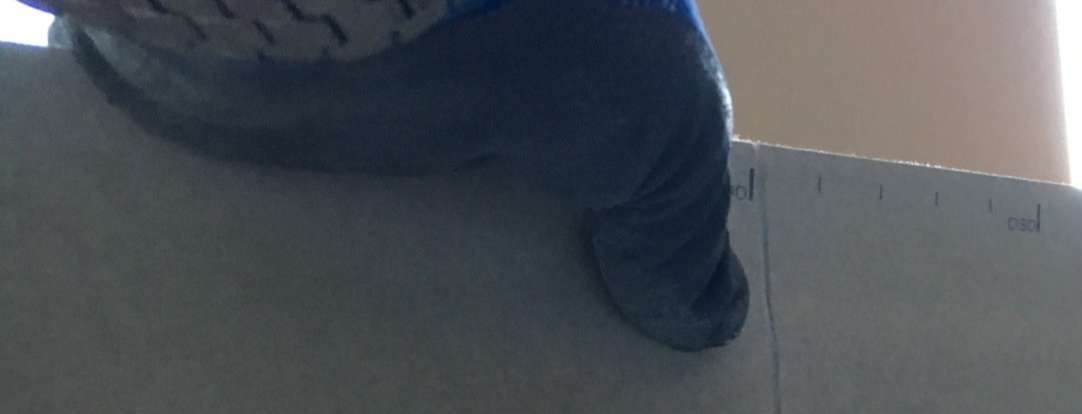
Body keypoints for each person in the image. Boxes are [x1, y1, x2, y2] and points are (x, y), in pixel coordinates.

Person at [36, 0, 748, 351]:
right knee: (666, 106)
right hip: (217, 79)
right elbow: (675, 288)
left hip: (129, 62)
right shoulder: (637, 54)